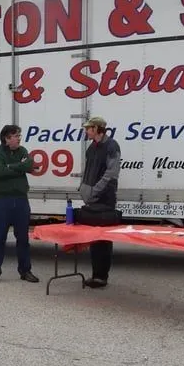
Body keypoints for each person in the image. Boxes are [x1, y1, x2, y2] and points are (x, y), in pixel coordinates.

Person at [0, 124, 40, 285]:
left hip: (21, 199)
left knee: (23, 238)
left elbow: (28, 165)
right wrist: (18, 167)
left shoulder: (22, 151)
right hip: (3, 200)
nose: (19, 138)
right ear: (7, 138)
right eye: (16, 136)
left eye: (19, 135)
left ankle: (25, 271)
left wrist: (9, 166)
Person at [77, 116, 122, 288]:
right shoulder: (92, 147)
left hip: (105, 198)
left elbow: (111, 173)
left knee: (104, 239)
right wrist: (84, 190)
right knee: (94, 238)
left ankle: (102, 276)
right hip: (93, 198)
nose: (86, 131)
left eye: (88, 128)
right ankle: (96, 275)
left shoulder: (111, 146)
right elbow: (88, 171)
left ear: (96, 129)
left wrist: (95, 191)